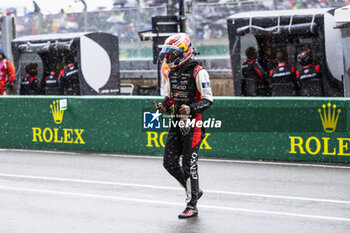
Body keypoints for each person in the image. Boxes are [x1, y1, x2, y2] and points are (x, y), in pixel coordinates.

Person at [156, 33, 213, 219]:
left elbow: (208, 100)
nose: (169, 58)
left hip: (194, 125)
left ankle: (192, 204)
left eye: (173, 54)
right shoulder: (172, 72)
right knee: (169, 162)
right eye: (168, 54)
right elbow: (172, 98)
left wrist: (192, 108)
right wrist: (165, 105)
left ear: (184, 52)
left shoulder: (199, 72)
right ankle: (195, 191)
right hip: (176, 122)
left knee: (190, 165)